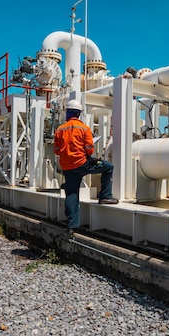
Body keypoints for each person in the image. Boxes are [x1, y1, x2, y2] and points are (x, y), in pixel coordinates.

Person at [54, 99, 119, 235]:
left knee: (71, 194)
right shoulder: (84, 129)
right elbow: (89, 149)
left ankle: (72, 226)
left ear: (68, 113)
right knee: (108, 167)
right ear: (79, 114)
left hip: (68, 167)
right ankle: (105, 196)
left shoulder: (60, 130)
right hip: (83, 164)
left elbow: (56, 150)